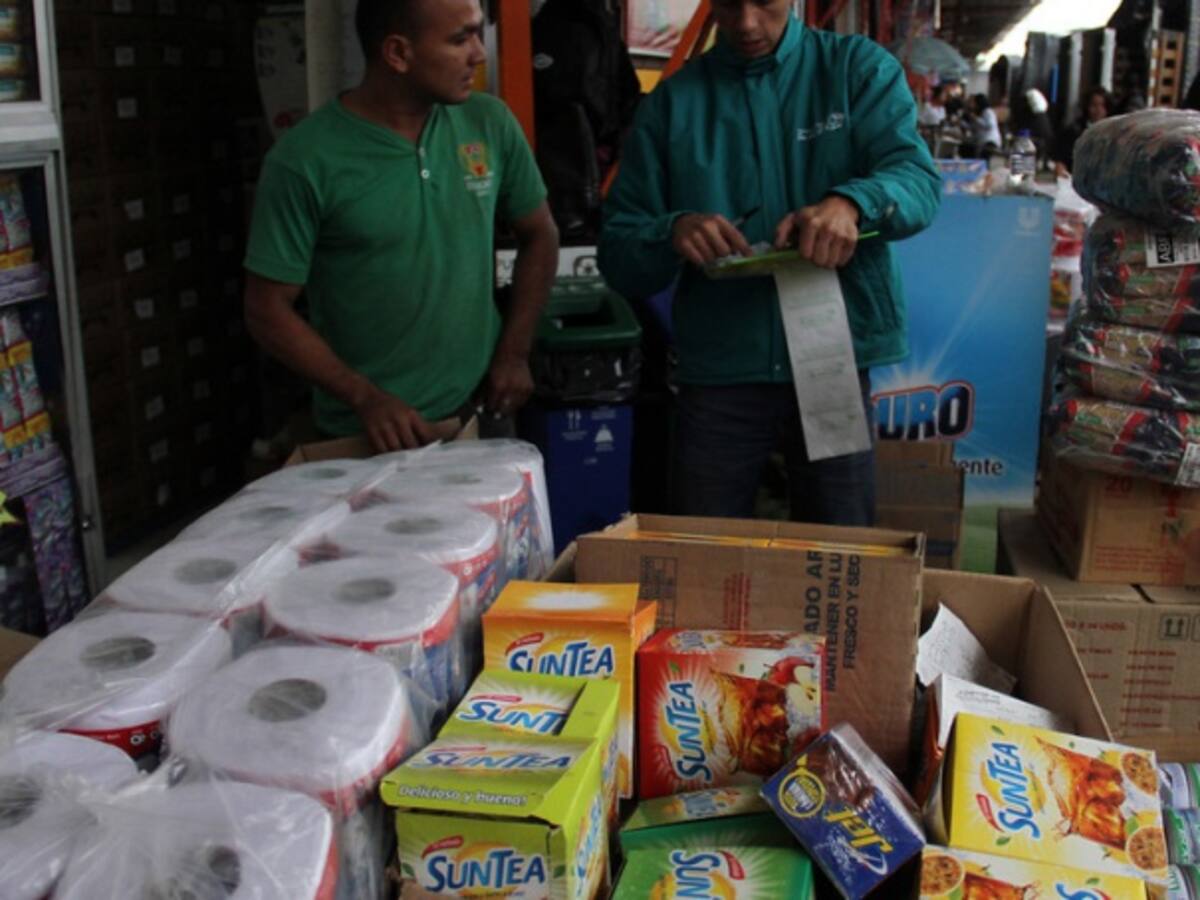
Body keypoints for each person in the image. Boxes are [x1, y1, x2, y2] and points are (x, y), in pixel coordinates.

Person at [597, 0, 940, 525]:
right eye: (729, 4)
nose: (747, 23)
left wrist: (853, 203)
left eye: (765, 2)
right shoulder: (673, 105)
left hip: (831, 358)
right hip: (721, 368)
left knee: (839, 545)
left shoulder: (856, 70)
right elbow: (619, 251)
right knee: (704, 545)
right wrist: (672, 230)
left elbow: (917, 181)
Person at [243, 0, 559, 452]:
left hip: (478, 413)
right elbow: (266, 309)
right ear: (397, 53)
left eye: (477, 33)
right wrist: (363, 397)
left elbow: (540, 233)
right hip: (364, 433)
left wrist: (514, 353)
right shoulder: (304, 160)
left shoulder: (489, 123)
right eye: (460, 39)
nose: (478, 53)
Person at [1054, 86, 1113, 175]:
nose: (1098, 110)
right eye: (1094, 105)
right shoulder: (1074, 131)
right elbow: (1062, 160)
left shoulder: (1114, 132)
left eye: (1102, 105)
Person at [962, 93, 1001, 158]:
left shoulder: (988, 112)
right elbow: (973, 127)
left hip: (989, 141)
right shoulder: (978, 113)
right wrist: (961, 123)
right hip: (980, 142)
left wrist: (976, 118)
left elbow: (989, 125)